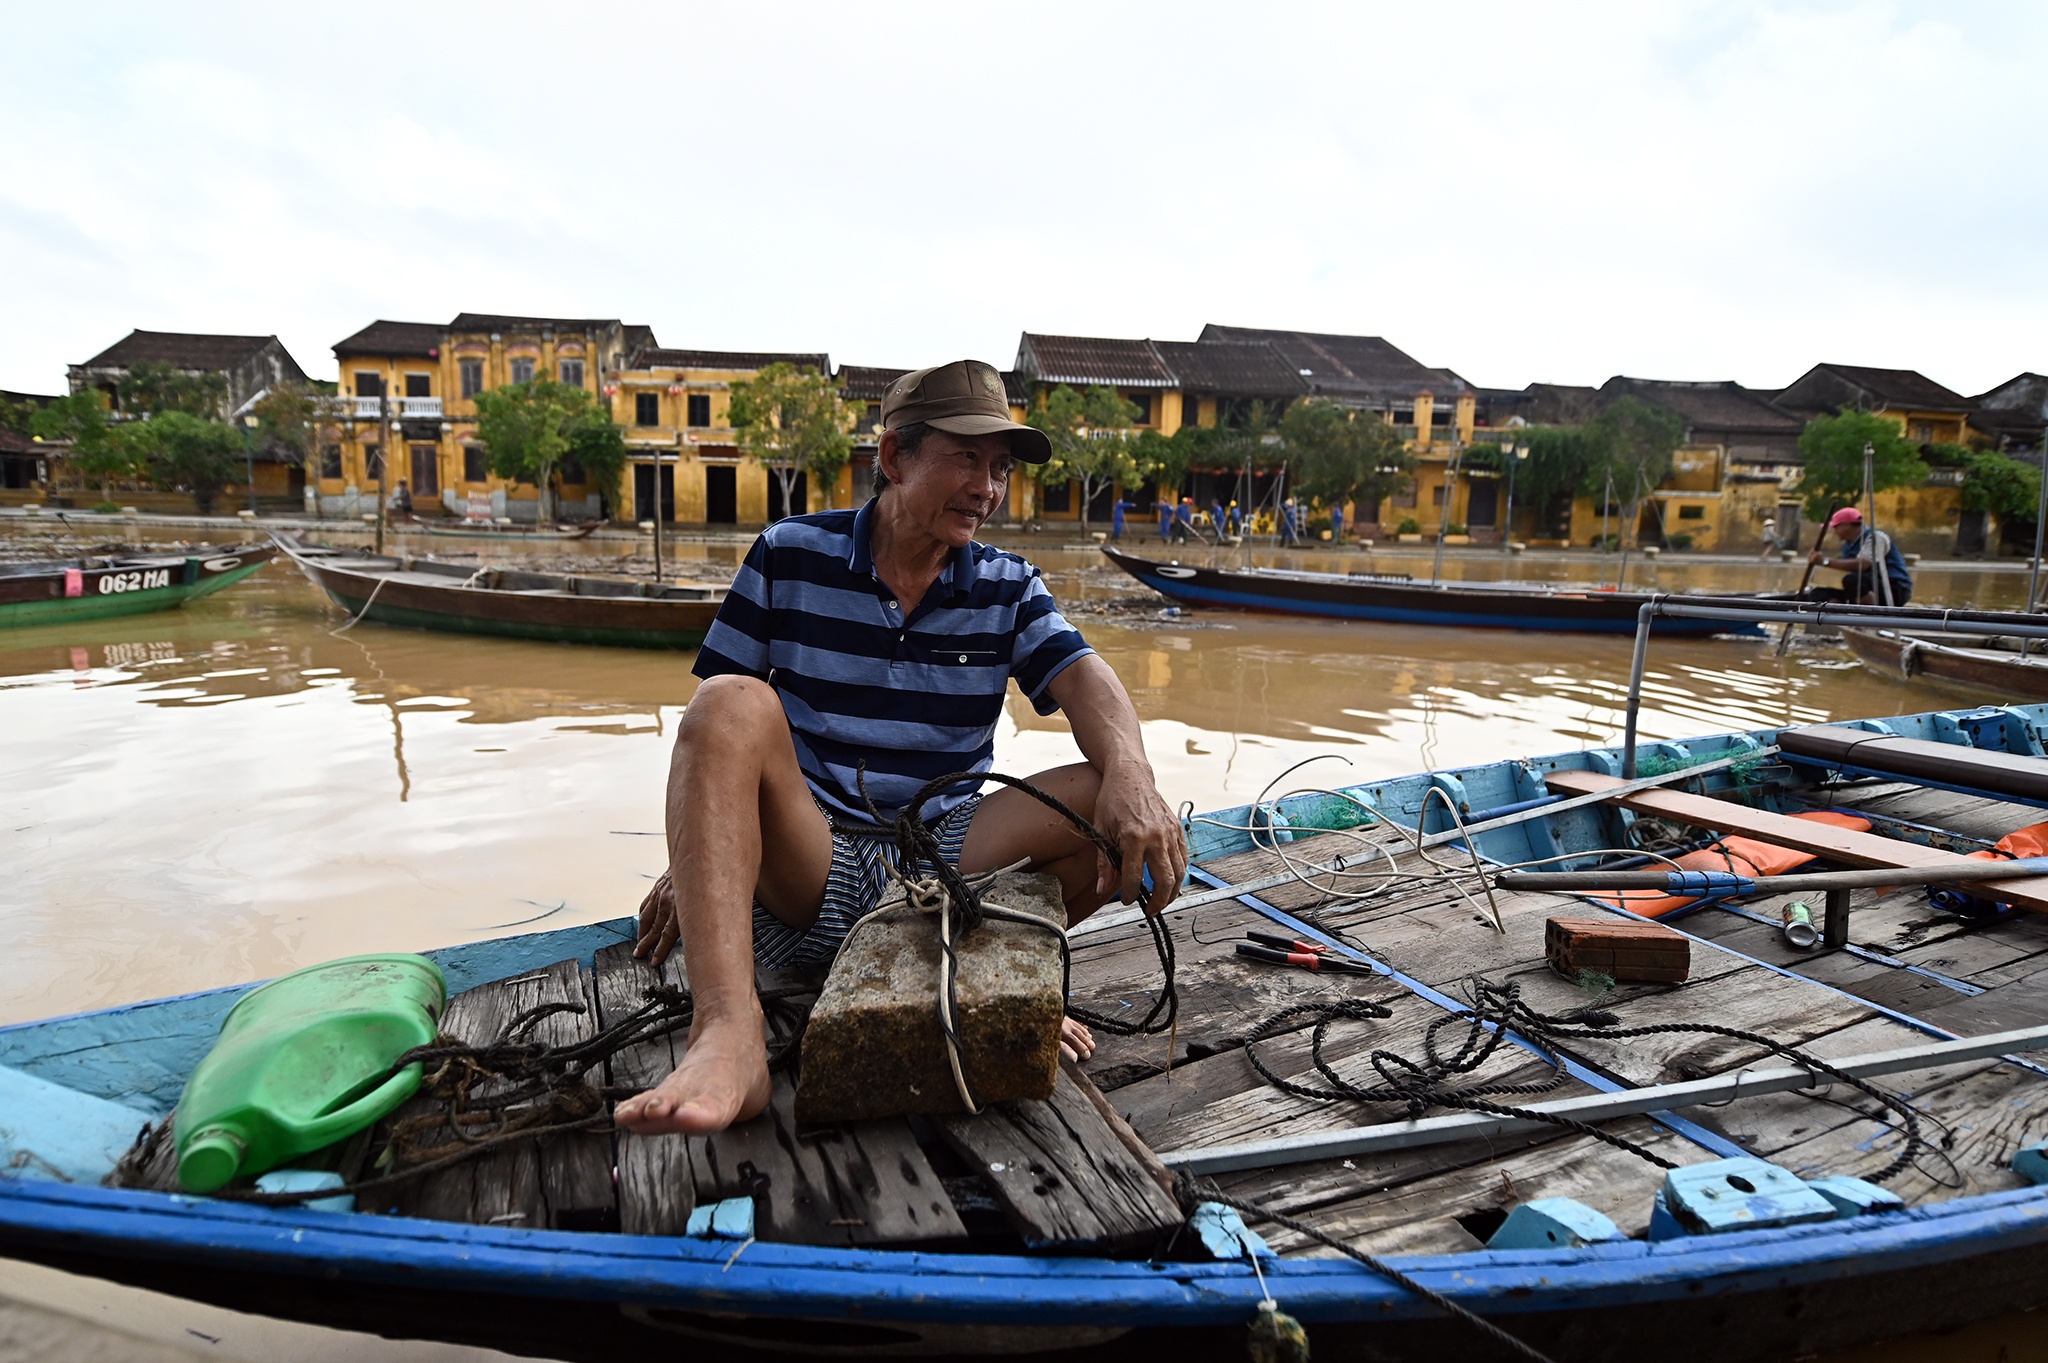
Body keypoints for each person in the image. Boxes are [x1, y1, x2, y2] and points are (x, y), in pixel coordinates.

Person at [616, 360, 1188, 1137]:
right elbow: (716, 738)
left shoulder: (1008, 585)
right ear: (894, 458)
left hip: (947, 860)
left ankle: (986, 987)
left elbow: (1088, 681)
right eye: (966, 458)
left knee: (1104, 797)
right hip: (812, 857)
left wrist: (1134, 776)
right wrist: (700, 858)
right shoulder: (790, 552)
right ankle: (728, 1034)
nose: (988, 487)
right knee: (727, 699)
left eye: (999, 468)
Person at [1807, 506, 1911, 605]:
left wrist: (1824, 562)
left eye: (1836, 527)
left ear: (1846, 526)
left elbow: (1863, 563)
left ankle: (1870, 614)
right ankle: (1840, 617)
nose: (1834, 531)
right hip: (1865, 589)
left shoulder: (1876, 538)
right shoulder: (1847, 545)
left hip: (1893, 589)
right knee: (1817, 593)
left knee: (1852, 580)